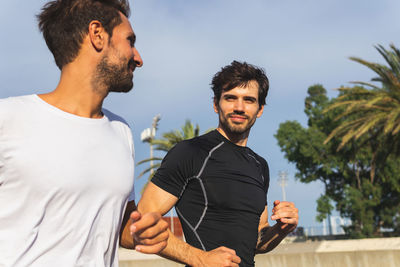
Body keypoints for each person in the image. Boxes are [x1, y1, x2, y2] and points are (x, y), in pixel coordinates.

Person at [0, 0, 168, 266]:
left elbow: (120, 225)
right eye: (130, 41)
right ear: (97, 34)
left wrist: (140, 232)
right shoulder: (7, 119)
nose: (138, 58)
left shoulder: (121, 131)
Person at [137, 61, 299, 267]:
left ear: (260, 109)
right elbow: (141, 222)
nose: (239, 107)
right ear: (216, 104)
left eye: (249, 100)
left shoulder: (259, 165)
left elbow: (257, 239)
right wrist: (198, 258)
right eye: (230, 98)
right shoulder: (190, 153)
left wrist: (281, 229)